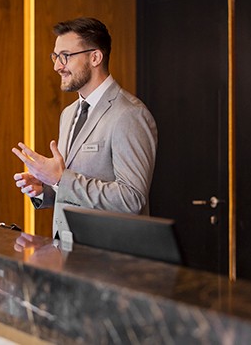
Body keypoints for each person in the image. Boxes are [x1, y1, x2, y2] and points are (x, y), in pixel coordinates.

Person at [12, 17, 157, 238]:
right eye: (55, 57)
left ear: (95, 57)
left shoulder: (129, 114)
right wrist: (47, 189)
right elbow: (73, 188)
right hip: (68, 251)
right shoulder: (69, 114)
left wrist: (60, 179)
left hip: (109, 260)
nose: (57, 66)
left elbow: (132, 199)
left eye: (65, 57)